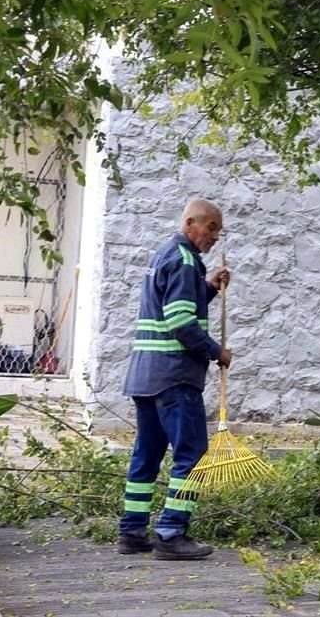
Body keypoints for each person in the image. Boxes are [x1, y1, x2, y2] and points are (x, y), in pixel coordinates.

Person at [117, 198, 231, 560]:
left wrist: (209, 287)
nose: (214, 236)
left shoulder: (165, 255)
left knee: (147, 453)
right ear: (190, 223)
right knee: (192, 454)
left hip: (146, 374)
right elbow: (181, 324)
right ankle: (171, 533)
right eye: (210, 227)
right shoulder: (183, 261)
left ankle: (133, 531)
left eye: (218, 230)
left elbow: (177, 306)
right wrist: (217, 352)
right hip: (174, 376)